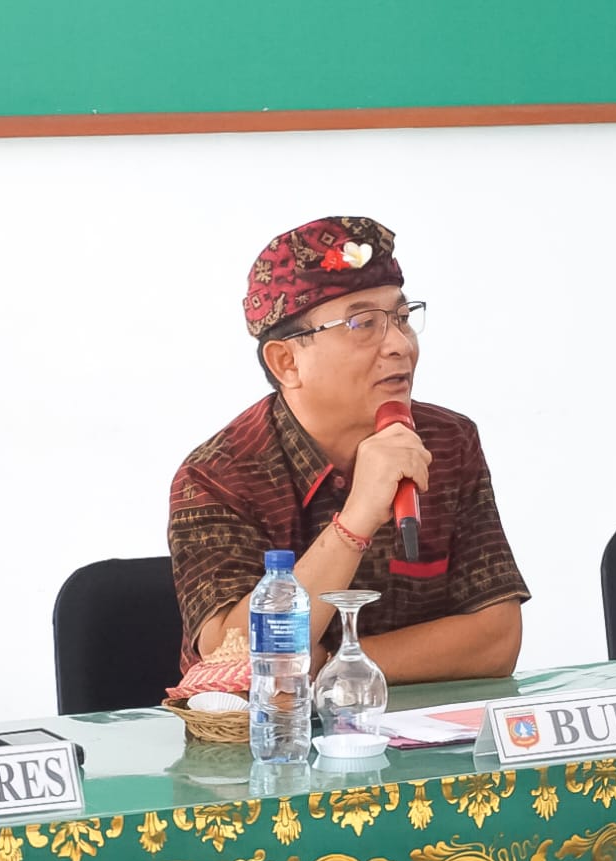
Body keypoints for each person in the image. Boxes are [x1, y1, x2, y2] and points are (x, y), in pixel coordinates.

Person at [169, 216, 529, 682]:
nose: (400, 346)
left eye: (402, 319)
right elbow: (236, 663)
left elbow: (496, 641)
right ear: (286, 361)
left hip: (419, 724)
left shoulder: (447, 441)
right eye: (363, 324)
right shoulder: (217, 475)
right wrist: (355, 520)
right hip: (274, 727)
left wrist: (333, 665)